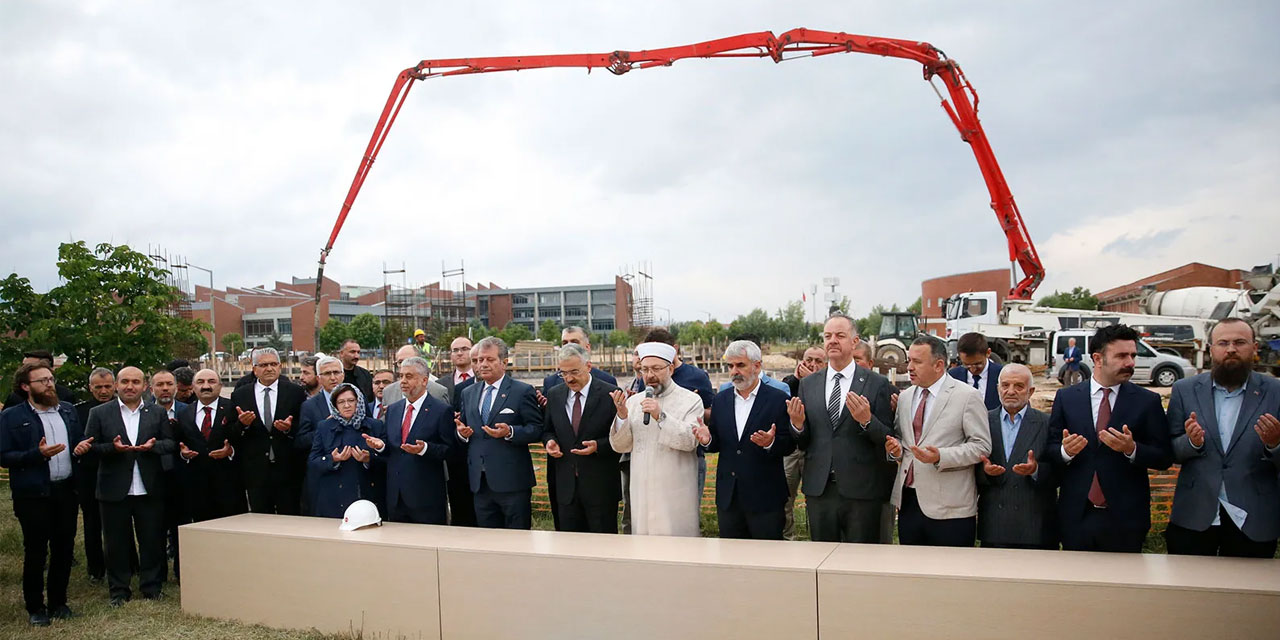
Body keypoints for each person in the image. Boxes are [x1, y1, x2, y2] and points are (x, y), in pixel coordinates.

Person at [1044, 324, 1172, 553]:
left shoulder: (1147, 401)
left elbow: (1163, 457)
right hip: (1077, 515)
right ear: (1098, 358)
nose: (1130, 362)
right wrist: (1065, 452)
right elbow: (1051, 450)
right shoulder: (1067, 398)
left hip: (1126, 519)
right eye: (1122, 356)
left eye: (1133, 355)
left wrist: (1132, 449)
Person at [1166, 318, 1280, 557]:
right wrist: (1192, 442)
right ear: (1211, 349)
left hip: (1253, 518)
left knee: (1247, 593)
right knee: (1190, 589)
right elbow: (1169, 450)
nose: (1231, 349)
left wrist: (1275, 443)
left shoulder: (1275, 392)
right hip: (1194, 514)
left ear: (1254, 348)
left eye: (1240, 342)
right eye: (1223, 343)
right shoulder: (1184, 390)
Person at [787, 315, 897, 543]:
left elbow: (888, 437)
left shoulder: (876, 384)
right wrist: (797, 426)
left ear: (854, 341)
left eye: (840, 335)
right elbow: (804, 441)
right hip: (820, 491)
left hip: (862, 492)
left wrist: (867, 421)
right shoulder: (808, 384)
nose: (832, 341)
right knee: (822, 562)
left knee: (859, 564)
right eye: (828, 336)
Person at [1, 362, 92, 626]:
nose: (49, 384)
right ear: (25, 386)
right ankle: (35, 606)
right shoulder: (12, 417)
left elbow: (74, 443)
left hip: (65, 490)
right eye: (42, 381)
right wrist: (35, 455)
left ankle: (58, 602)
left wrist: (80, 448)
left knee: (64, 548)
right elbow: (4, 456)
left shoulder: (67, 411)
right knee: (36, 550)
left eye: (51, 379)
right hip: (33, 494)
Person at [885, 337, 990, 547]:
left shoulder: (967, 396)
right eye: (909, 361)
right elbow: (901, 440)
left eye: (917, 362)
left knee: (951, 575)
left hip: (950, 509)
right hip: (909, 503)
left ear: (939, 365)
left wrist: (941, 456)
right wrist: (894, 450)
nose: (910, 367)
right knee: (914, 573)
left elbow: (981, 446)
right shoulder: (905, 398)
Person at [84, 366, 175, 606]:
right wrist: (112, 449)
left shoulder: (156, 412)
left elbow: (170, 444)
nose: (130, 386)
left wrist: (153, 446)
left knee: (151, 540)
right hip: (114, 488)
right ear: (116, 385)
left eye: (135, 382)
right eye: (124, 381)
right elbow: (91, 448)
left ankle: (151, 587)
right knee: (115, 543)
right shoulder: (99, 413)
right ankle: (119, 590)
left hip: (149, 487)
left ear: (145, 386)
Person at [695, 340, 794, 539]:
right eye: (730, 366)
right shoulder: (721, 400)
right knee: (732, 562)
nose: (734, 371)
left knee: (766, 561)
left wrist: (771, 443)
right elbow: (718, 443)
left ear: (757, 366)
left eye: (740, 365)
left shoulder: (777, 399)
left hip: (765, 498)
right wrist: (706, 440)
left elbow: (790, 444)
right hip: (729, 498)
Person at [608, 341, 703, 537]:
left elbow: (689, 441)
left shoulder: (690, 401)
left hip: (674, 491)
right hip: (641, 490)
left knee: (678, 547)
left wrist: (661, 416)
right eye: (644, 369)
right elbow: (620, 446)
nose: (650, 375)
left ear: (670, 368)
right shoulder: (634, 402)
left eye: (656, 369)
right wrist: (622, 416)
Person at [453, 337, 543, 529]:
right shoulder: (468, 393)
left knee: (517, 539)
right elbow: (465, 429)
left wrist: (510, 432)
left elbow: (536, 429)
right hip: (480, 481)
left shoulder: (522, 391)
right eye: (478, 360)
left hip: (512, 482)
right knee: (488, 541)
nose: (483, 364)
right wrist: (462, 433)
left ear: (504, 362)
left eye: (489, 359)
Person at [541, 344, 622, 533]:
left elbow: (622, 437)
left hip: (600, 487)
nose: (569, 378)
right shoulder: (554, 395)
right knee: (570, 546)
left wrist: (598, 446)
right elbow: (548, 430)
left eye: (574, 372)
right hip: (566, 487)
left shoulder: (610, 394)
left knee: (603, 545)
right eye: (563, 373)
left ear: (588, 366)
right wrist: (550, 442)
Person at [975, 364, 1056, 549]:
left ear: (1031, 391)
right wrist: (986, 472)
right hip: (995, 524)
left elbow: (1059, 471)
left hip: (1035, 525)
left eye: (1019, 386)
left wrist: (1036, 470)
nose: (1010, 391)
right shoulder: (983, 421)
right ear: (997, 389)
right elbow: (970, 467)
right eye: (1005, 385)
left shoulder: (1047, 423)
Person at [229, 348, 306, 515]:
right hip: (256, 472)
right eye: (263, 365)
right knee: (261, 519)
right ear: (254, 369)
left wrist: (288, 429)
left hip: (288, 470)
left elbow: (303, 427)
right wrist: (243, 424)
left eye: (273, 364)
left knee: (291, 519)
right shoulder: (240, 395)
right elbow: (232, 433)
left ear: (280, 367)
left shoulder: (295, 392)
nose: (269, 369)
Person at [381, 357, 454, 524]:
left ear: (424, 380)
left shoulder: (441, 410)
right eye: (401, 376)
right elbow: (389, 447)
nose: (403, 381)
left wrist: (424, 449)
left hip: (426, 498)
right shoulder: (393, 410)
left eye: (409, 376)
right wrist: (379, 446)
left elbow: (450, 451)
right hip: (396, 497)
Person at [308, 384, 388, 519]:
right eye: (341, 402)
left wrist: (369, 459)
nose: (346, 405)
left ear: (359, 401)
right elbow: (313, 461)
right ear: (335, 405)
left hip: (366, 493)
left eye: (351, 400)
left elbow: (388, 460)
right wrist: (333, 459)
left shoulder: (375, 425)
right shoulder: (324, 427)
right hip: (333, 497)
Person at [173, 368, 242, 524]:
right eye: (200, 382)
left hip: (228, 486)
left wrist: (230, 451)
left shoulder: (233, 409)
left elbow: (244, 441)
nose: (206, 386)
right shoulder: (184, 413)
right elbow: (179, 443)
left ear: (220, 386)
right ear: (193, 386)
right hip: (197, 488)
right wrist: (184, 454)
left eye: (211, 382)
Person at [74, 367, 115, 584]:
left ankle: (127, 563)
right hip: (89, 474)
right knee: (92, 523)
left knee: (119, 522)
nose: (103, 391)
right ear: (90, 388)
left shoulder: (122, 408)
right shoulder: (78, 411)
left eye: (108, 386)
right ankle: (95, 568)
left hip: (116, 470)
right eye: (98, 387)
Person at [779, 346, 824, 540]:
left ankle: (818, 537)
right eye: (808, 360)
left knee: (817, 497)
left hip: (816, 451)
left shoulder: (828, 384)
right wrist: (800, 380)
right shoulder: (790, 382)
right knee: (785, 496)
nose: (812, 365)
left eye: (817, 361)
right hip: (792, 449)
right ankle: (787, 537)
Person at [148, 370, 187, 582]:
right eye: (160, 384)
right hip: (153, 477)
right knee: (155, 530)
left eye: (169, 384)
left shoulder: (188, 411)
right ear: (151, 388)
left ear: (176, 387)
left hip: (181, 478)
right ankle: (158, 574)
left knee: (180, 527)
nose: (165, 388)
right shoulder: (143, 411)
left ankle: (183, 573)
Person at [541, 326, 618, 391]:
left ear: (587, 347)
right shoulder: (551, 383)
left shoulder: (607, 381)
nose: (569, 346)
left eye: (574, 342)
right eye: (565, 343)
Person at [947, 332, 1003, 411]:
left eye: (978, 364)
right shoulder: (953, 377)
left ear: (988, 353)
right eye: (967, 365)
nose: (973, 369)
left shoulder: (1002, 375)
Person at [3, 350, 78, 407]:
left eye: (30, 367)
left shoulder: (65, 397)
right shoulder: (15, 398)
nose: (24, 370)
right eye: (23, 366)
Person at [381, 345, 450, 406]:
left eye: (410, 361)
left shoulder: (438, 392)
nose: (405, 365)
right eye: (400, 362)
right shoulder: (388, 392)